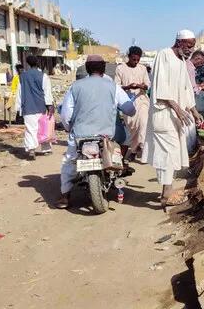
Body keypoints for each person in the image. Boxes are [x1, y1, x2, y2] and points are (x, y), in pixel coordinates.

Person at [56, 55, 136, 209]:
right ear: (103, 69)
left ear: (87, 69)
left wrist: (69, 128)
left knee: (69, 161)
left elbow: (66, 114)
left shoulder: (76, 86)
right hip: (106, 135)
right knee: (122, 141)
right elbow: (129, 109)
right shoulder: (113, 86)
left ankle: (64, 196)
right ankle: (118, 169)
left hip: (80, 134)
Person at [143, 30, 203, 209]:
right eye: (188, 46)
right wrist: (176, 108)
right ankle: (166, 194)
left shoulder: (182, 61)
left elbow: (185, 89)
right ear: (179, 42)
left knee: (173, 153)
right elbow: (160, 87)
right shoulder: (164, 55)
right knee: (166, 154)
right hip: (163, 115)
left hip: (176, 117)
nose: (191, 50)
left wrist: (193, 110)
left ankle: (167, 191)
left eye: (193, 46)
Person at [115, 46, 151, 162]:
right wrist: (128, 86)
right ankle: (134, 149)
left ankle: (139, 150)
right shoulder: (120, 68)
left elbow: (147, 85)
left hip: (141, 99)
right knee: (132, 127)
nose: (136, 62)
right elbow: (116, 86)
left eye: (138, 60)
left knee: (143, 123)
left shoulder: (142, 69)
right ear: (129, 57)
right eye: (133, 59)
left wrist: (141, 86)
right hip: (127, 101)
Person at [14, 56, 54, 160]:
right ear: (38, 63)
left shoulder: (22, 76)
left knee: (30, 129)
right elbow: (47, 92)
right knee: (44, 128)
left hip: (28, 107)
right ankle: (46, 149)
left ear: (28, 64)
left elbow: (19, 93)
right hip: (41, 107)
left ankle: (31, 149)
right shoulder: (43, 76)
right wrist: (49, 105)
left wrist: (18, 108)